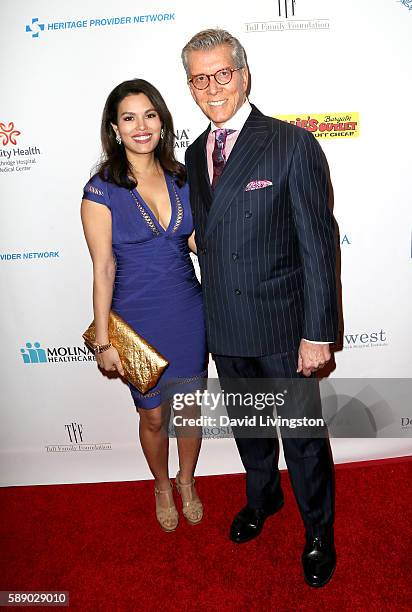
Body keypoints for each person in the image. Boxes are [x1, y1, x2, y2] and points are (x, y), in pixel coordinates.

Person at [181, 30, 338, 587]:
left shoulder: (291, 144)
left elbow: (319, 246)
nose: (212, 87)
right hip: (226, 324)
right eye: (200, 79)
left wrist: (317, 332)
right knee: (250, 431)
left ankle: (318, 531)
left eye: (222, 74)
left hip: (281, 325)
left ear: (244, 75)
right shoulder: (192, 154)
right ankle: (264, 499)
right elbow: (205, 228)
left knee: (301, 438)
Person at [80, 79, 207, 532]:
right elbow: (103, 268)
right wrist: (103, 339)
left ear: (162, 121)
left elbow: (195, 242)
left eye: (149, 115)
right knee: (152, 414)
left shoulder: (182, 176)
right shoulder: (100, 189)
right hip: (134, 318)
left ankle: (187, 480)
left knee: (190, 407)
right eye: (129, 117)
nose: (141, 125)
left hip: (188, 311)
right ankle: (160, 484)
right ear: (115, 128)